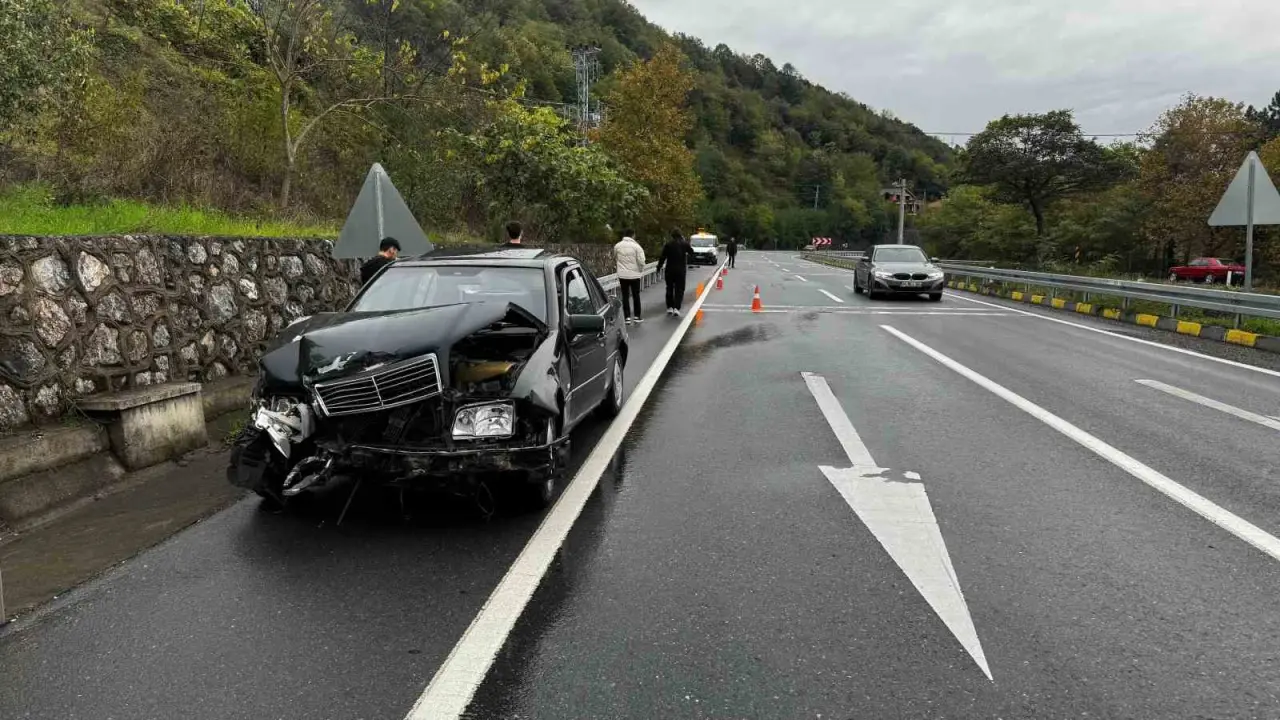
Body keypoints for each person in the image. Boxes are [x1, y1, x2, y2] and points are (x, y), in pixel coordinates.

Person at [655, 229, 694, 317]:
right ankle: (677, 307)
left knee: (669, 288)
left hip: (670, 270)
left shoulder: (668, 245)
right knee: (679, 289)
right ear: (680, 235)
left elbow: (662, 257)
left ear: (672, 235)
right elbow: (692, 252)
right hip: (681, 270)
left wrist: (658, 268)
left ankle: (669, 307)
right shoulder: (684, 244)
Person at [613, 229, 646, 324]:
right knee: (636, 295)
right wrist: (640, 270)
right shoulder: (637, 247)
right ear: (633, 235)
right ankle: (637, 316)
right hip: (635, 275)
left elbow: (615, 257)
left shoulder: (617, 246)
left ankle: (627, 317)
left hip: (622, 275)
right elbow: (641, 261)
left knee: (625, 296)